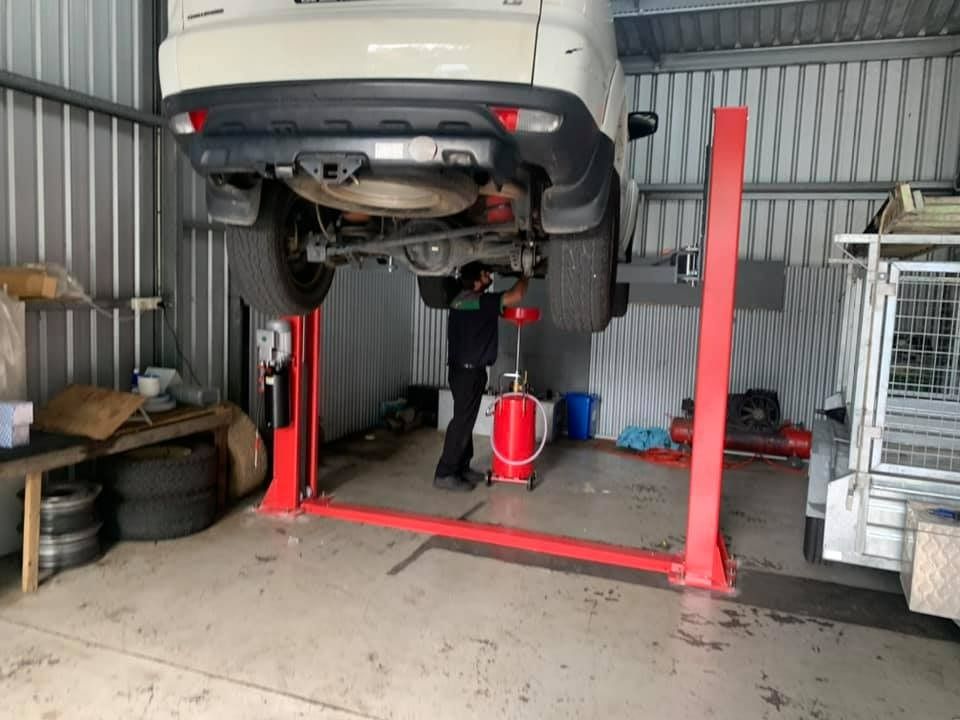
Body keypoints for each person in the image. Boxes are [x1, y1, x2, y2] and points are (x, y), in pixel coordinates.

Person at [434, 263, 529, 492]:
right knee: (461, 422)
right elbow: (516, 295)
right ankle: (445, 472)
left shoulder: (459, 298)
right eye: (485, 274)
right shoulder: (481, 301)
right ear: (476, 282)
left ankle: (461, 467)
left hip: (462, 371)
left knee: (465, 420)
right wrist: (527, 273)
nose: (490, 276)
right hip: (468, 373)